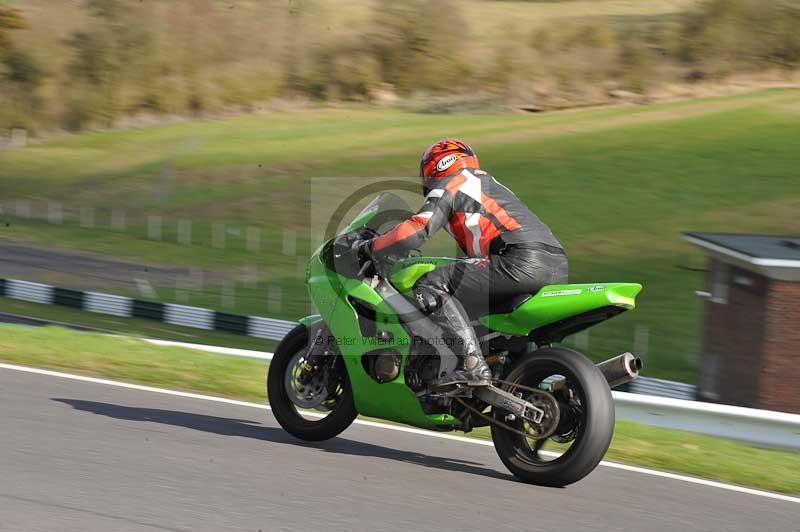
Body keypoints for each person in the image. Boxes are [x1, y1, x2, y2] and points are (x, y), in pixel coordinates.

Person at [362, 138, 568, 387]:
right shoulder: (487, 183)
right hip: (555, 264)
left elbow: (418, 229)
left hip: (518, 260)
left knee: (431, 284)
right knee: (481, 313)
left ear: (434, 166)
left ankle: (471, 365)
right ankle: (513, 378)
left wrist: (372, 246)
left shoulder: (452, 182)